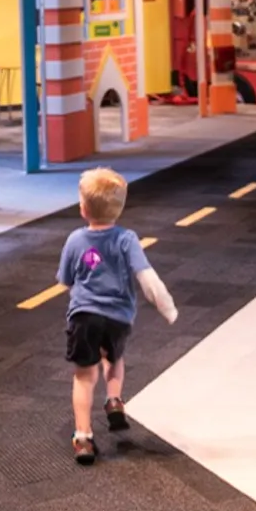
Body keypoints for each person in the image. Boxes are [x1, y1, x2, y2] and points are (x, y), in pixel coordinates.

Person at [57, 168, 178, 465]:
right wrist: (167, 307)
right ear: (120, 208)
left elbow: (66, 279)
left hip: (84, 315)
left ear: (83, 209)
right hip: (118, 317)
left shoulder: (75, 239)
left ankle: (83, 437)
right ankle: (114, 400)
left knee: (84, 376)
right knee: (115, 358)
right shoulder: (127, 238)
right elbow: (147, 277)